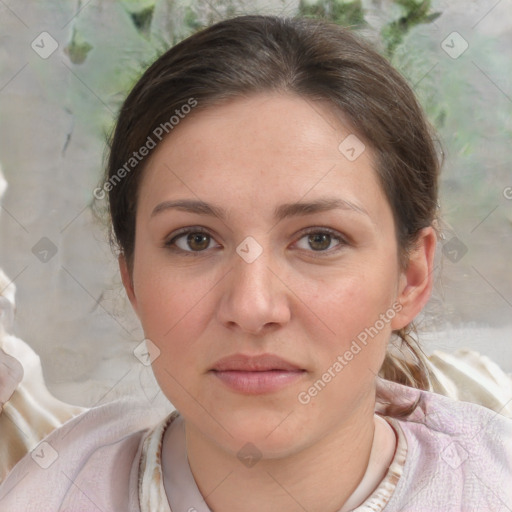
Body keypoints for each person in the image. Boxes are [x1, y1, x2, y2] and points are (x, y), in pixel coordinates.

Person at [1, 14, 511, 512]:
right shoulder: (46, 493)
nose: (251, 307)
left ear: (410, 278)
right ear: (131, 278)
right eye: (196, 240)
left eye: (318, 240)